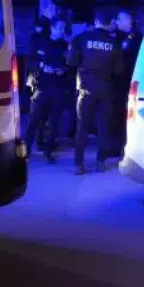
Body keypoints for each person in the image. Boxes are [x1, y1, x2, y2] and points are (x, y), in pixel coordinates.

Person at [67, 10, 124, 174]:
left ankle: (79, 164)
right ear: (109, 24)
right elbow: (119, 69)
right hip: (106, 89)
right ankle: (100, 162)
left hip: (85, 89)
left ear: (96, 22)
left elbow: (71, 62)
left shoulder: (81, 39)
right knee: (104, 127)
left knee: (82, 127)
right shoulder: (114, 43)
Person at [23, 18, 71, 163]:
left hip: (58, 87)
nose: (62, 31)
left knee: (54, 122)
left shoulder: (64, 45)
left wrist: (63, 70)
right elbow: (30, 62)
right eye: (60, 28)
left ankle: (48, 152)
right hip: (41, 86)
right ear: (52, 28)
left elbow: (70, 64)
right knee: (33, 120)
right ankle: (26, 150)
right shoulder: (41, 42)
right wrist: (42, 67)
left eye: (64, 28)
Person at [109, 10, 142, 158]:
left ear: (128, 21)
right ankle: (115, 147)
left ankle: (124, 147)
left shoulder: (136, 37)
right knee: (116, 115)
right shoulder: (118, 37)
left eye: (119, 19)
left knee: (126, 116)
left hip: (129, 83)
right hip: (117, 84)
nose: (116, 22)